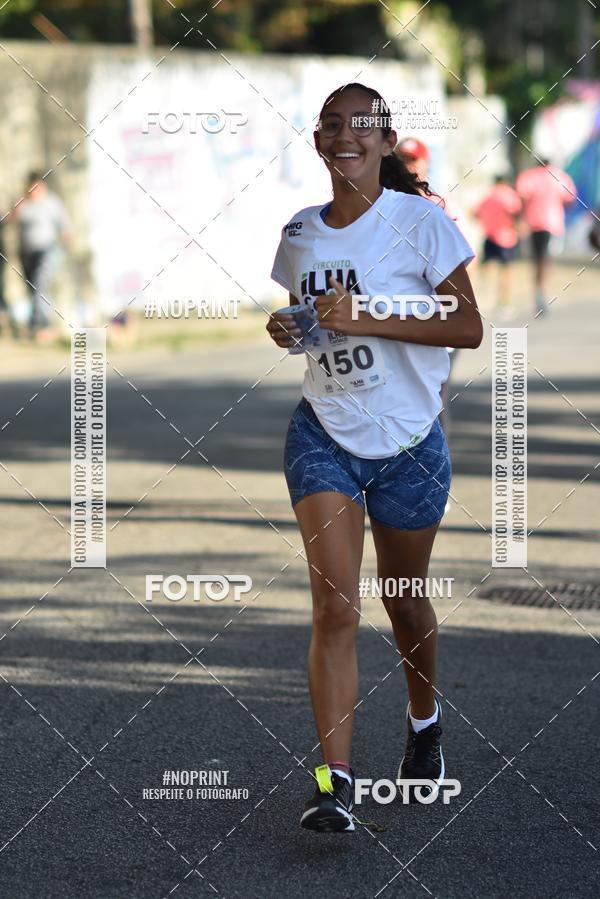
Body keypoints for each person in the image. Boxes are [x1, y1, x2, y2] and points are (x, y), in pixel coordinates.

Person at [267, 83, 482, 832]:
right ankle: (335, 782)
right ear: (319, 140)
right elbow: (316, 322)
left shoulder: (420, 223)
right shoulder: (299, 232)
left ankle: (424, 722)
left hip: (408, 444)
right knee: (335, 606)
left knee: (402, 597)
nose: (345, 136)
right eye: (332, 125)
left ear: (386, 143)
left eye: (363, 126)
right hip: (324, 431)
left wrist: (366, 313)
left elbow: (467, 325)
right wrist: (293, 327)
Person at [515, 158, 576, 316]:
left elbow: (521, 197)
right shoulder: (560, 176)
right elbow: (570, 198)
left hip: (534, 224)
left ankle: (539, 291)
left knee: (538, 259)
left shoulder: (529, 176)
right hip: (553, 224)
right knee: (546, 259)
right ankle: (542, 291)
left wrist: (522, 216)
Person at [13, 171, 70, 340]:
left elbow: (65, 226)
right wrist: (20, 204)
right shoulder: (24, 203)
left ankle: (37, 323)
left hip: (46, 250)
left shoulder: (52, 202)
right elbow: (12, 219)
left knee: (39, 284)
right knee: (33, 289)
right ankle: (44, 323)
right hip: (26, 252)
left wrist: (61, 244)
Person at [473, 175, 522, 314]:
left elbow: (476, 213)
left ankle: (480, 298)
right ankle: (503, 302)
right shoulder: (510, 195)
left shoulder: (488, 195)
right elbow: (515, 213)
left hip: (489, 236)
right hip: (506, 237)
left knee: (484, 269)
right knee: (506, 271)